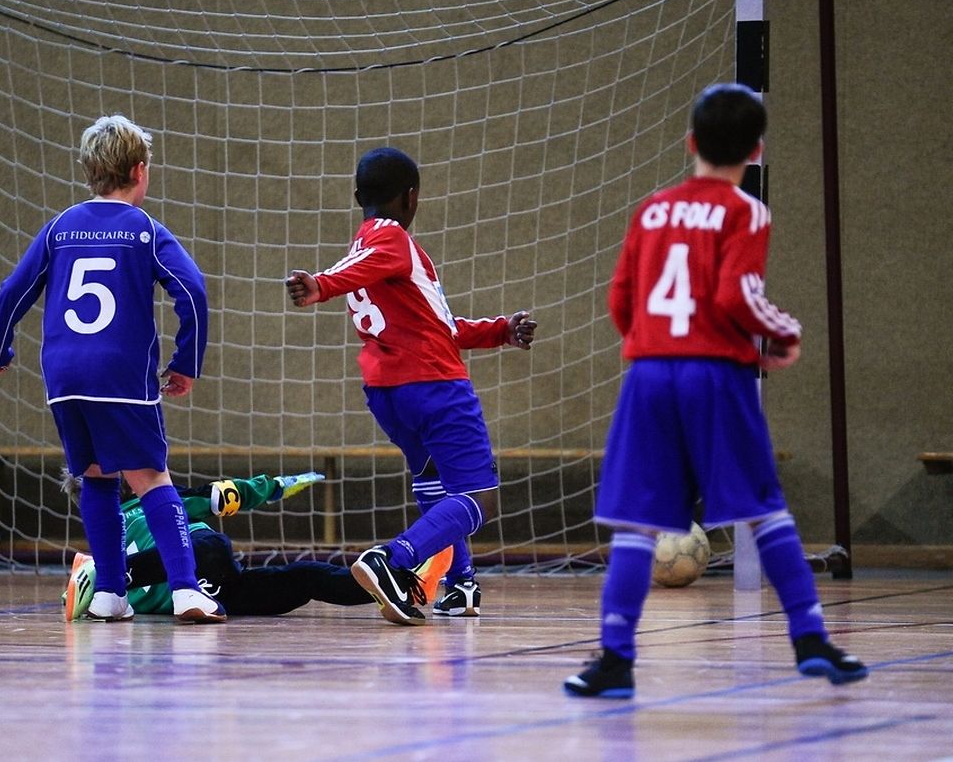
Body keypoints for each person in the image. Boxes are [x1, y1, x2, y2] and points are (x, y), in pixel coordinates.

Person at [563, 83, 868, 698]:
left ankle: (614, 661)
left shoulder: (652, 210)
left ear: (690, 143)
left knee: (636, 523)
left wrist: (654, 343)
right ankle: (810, 639)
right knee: (763, 508)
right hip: (714, 375)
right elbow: (736, 294)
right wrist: (783, 333)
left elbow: (620, 299)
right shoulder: (746, 211)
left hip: (650, 376)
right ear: (756, 151)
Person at [0, 114, 223, 624]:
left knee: (94, 476)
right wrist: (186, 362)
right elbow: (193, 291)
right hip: (120, 374)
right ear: (139, 171)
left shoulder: (60, 227)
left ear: (90, 171)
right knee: (152, 478)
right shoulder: (146, 230)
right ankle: (186, 590)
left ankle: (111, 593)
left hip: (64, 376)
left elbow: (12, 291)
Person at [285, 147, 536, 625]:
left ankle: (460, 585)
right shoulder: (391, 239)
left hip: (388, 393)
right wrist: (322, 285)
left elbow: (443, 327)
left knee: (435, 484)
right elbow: (368, 271)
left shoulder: (363, 248)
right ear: (411, 197)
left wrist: (500, 330)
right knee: (478, 497)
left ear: (357, 197)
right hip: (434, 384)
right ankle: (393, 559)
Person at [62, 471, 453, 620]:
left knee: (305, 578)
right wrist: (276, 486)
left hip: (221, 592)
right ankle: (110, 576)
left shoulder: (106, 534)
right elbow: (224, 495)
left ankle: (399, 582)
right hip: (208, 572)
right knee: (212, 548)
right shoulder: (159, 499)